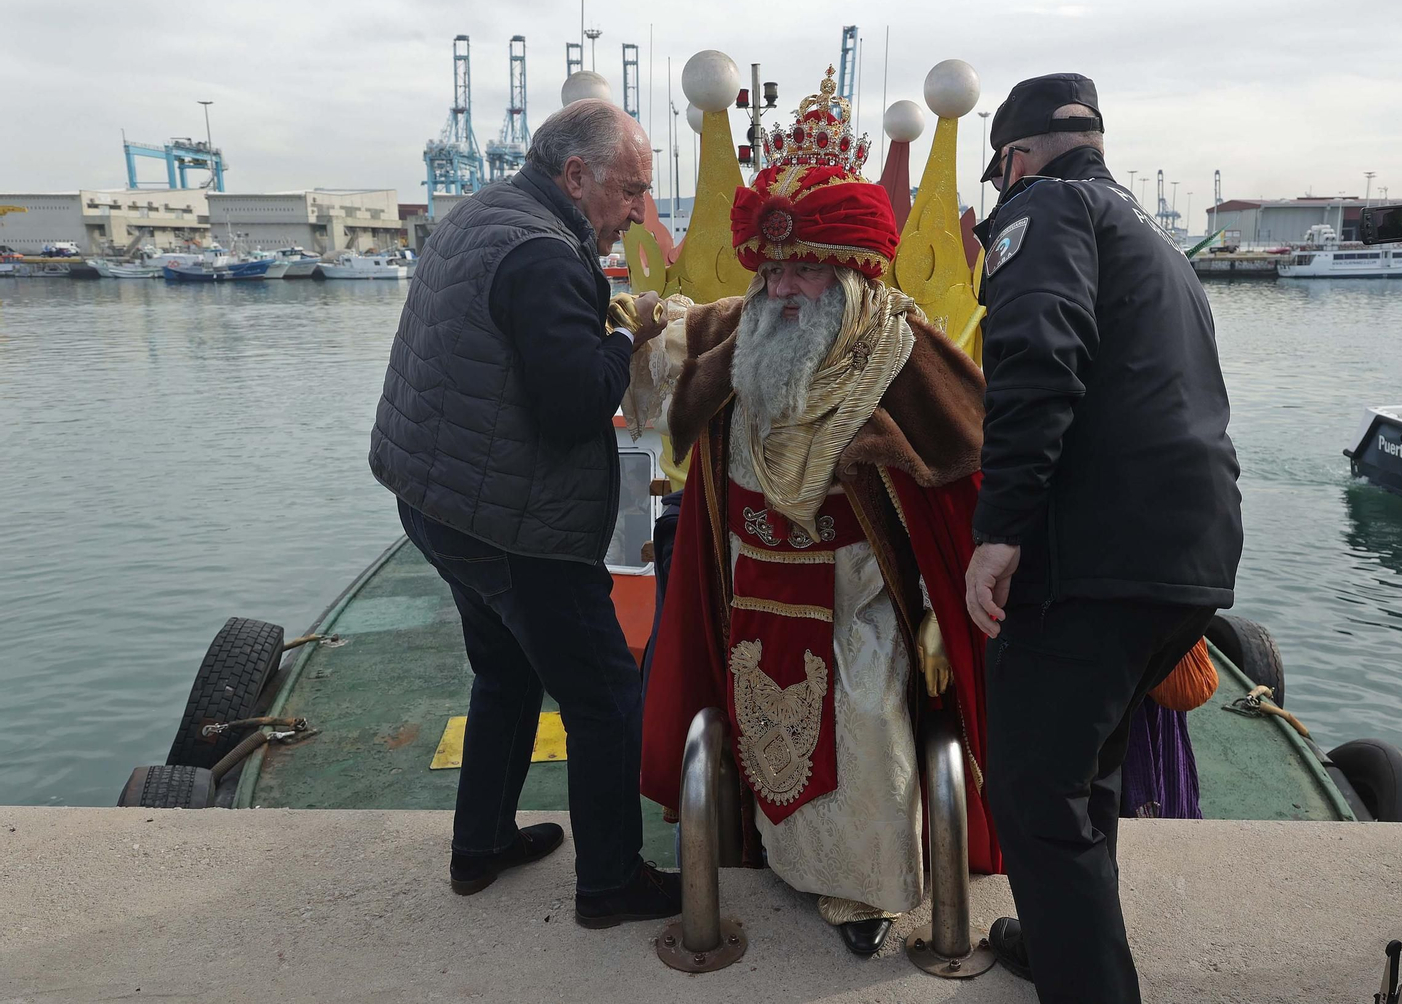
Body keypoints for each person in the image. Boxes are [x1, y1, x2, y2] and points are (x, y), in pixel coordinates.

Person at [634, 67, 1001, 958]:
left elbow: (973, 451)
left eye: (804, 270)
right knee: (759, 730)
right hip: (750, 584)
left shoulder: (901, 347)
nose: (784, 288)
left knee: (866, 734)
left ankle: (869, 895)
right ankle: (784, 862)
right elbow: (663, 342)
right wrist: (620, 318)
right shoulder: (744, 324)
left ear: (850, 271)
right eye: (774, 268)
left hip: (858, 594)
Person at [368, 98, 682, 928]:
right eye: (629, 190)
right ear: (576, 176)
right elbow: (577, 402)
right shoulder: (544, 253)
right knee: (607, 694)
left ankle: (480, 847)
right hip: (511, 519)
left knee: (505, 671)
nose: (634, 213)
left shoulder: (482, 214)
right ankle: (612, 883)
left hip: (435, 500)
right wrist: (627, 335)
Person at [965, 73, 1243, 1002]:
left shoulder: (1041, 211)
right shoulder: (1151, 238)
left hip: (1092, 553)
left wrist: (1000, 530)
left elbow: (1036, 358)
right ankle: (1060, 943)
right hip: (1188, 549)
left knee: (1037, 794)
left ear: (1016, 156)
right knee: (1087, 775)